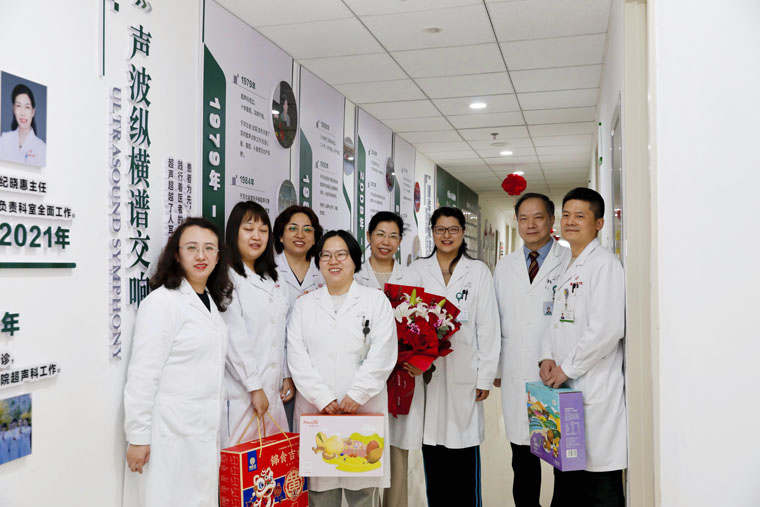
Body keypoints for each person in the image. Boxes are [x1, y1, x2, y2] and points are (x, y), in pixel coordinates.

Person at [123, 217, 233, 507]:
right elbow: (143, 374)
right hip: (169, 433)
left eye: (209, 248)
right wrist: (138, 436)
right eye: (192, 248)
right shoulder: (162, 302)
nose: (201, 256)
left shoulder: (209, 301)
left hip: (201, 430)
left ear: (218, 257)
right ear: (176, 254)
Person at [287, 230, 397, 507]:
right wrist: (322, 398)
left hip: (363, 410)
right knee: (321, 495)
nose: (333, 261)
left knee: (363, 493)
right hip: (317, 412)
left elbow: (383, 353)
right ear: (318, 262)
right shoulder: (304, 305)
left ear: (354, 260)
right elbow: (297, 358)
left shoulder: (375, 301)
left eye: (341, 254)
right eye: (326, 255)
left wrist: (357, 394)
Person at [539, 188, 626, 507]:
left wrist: (567, 368)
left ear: (599, 223)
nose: (570, 222)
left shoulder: (604, 265)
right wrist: (547, 357)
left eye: (580, 216)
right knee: (568, 482)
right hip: (567, 391)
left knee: (598, 485)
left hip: (594, 390)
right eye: (566, 215)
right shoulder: (568, 263)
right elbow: (555, 319)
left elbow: (606, 330)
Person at [409, 206, 500, 506]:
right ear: (432, 232)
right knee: (433, 461)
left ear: (463, 233)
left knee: (463, 463)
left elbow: (488, 327)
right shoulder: (417, 271)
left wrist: (485, 376)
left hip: (465, 373)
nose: (446, 236)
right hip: (428, 376)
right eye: (440, 229)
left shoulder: (478, 272)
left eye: (453, 230)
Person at [493, 193, 570, 507]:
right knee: (522, 458)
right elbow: (496, 320)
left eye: (538, 217)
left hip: (557, 373)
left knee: (561, 458)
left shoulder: (569, 261)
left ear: (552, 220)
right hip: (515, 371)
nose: (530, 225)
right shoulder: (504, 267)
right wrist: (497, 368)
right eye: (523, 218)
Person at [354, 211, 423, 507]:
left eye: (393, 236)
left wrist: (419, 359)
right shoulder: (353, 275)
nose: (386, 241)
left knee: (397, 450)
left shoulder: (412, 278)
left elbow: (423, 326)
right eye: (380, 234)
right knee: (364, 447)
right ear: (368, 236)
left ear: (400, 241)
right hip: (361, 373)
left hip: (401, 374)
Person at [221, 201, 292, 446]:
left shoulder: (274, 277)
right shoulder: (227, 277)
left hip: (273, 390)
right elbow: (234, 339)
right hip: (242, 392)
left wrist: (285, 374)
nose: (256, 236)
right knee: (243, 460)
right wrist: (254, 386)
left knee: (271, 461)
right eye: (248, 229)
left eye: (263, 230)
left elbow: (282, 333)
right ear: (234, 232)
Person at [273, 205, 324, 429]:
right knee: (285, 434)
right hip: (279, 369)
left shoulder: (325, 271)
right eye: (292, 228)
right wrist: (287, 374)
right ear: (281, 236)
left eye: (307, 229)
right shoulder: (269, 271)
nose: (300, 235)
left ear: (315, 238)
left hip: (318, 368)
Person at [0, 84, 46, 166]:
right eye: (18, 106)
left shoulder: (41, 148)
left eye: (27, 107)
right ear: (14, 109)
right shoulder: (4, 139)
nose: (23, 113)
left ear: (33, 112)